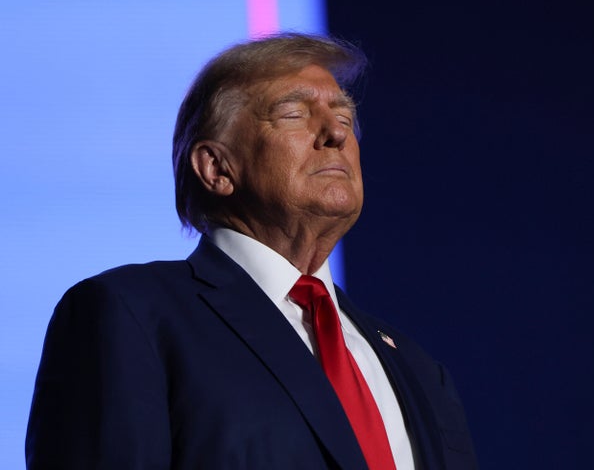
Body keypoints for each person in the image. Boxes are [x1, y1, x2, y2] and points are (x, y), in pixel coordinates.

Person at [26, 32, 478, 469]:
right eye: (294, 115)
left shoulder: (417, 369)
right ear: (216, 167)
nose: (335, 135)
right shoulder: (131, 317)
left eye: (343, 118)